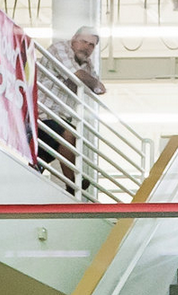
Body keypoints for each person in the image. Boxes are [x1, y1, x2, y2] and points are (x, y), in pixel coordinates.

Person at [37, 26, 105, 194]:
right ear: (74, 39)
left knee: (52, 148)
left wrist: (93, 82)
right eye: (83, 41)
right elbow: (77, 75)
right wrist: (92, 82)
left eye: (91, 45)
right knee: (68, 134)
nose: (86, 47)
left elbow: (97, 88)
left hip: (57, 117)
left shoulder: (86, 64)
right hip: (40, 111)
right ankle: (73, 185)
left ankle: (38, 171)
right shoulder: (60, 48)